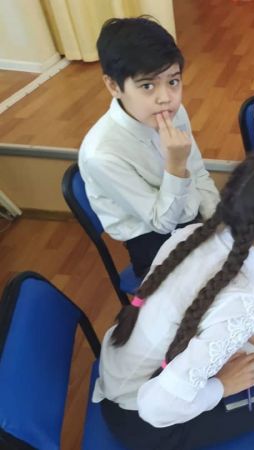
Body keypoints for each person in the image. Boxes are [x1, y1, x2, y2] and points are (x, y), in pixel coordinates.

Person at [92, 155, 254, 450]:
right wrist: (221, 386)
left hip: (127, 373)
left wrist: (229, 334)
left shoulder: (191, 235)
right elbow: (156, 407)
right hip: (143, 418)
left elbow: (186, 310)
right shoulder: (244, 299)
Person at [79, 17, 219, 279]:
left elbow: (199, 173)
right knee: (223, 286)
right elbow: (162, 222)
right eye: (147, 85)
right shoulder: (101, 154)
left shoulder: (173, 112)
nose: (165, 98)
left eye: (173, 81)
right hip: (151, 238)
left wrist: (218, 223)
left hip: (191, 213)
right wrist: (176, 165)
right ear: (113, 85)